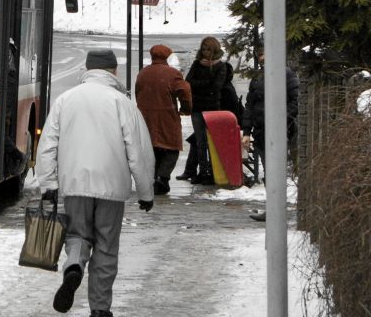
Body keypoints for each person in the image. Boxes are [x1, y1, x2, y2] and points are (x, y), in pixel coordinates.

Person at [37, 49, 155, 317]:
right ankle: (100, 309)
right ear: (113, 71)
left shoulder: (66, 99)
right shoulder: (122, 103)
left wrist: (49, 185)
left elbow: (47, 146)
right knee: (106, 245)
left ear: (87, 69)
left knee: (77, 234)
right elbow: (138, 151)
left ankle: (75, 266)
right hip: (112, 188)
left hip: (74, 184)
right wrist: (145, 193)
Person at [134, 44, 192, 195]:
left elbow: (138, 93)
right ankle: (163, 176)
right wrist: (185, 109)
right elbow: (185, 91)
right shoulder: (173, 74)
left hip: (146, 117)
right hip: (167, 116)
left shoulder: (143, 73)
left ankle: (153, 178)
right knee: (171, 148)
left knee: (151, 148)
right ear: (167, 56)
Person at [240, 50, 301, 184]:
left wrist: (280, 119)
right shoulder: (258, 78)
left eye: (265, 54)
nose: (262, 58)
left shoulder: (287, 75)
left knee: (276, 170)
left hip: (280, 131)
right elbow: (250, 105)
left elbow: (296, 101)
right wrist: (246, 132)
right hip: (260, 130)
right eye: (260, 55)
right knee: (269, 168)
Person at [182, 36, 231, 185]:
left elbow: (216, 87)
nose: (205, 52)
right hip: (197, 107)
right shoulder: (197, 64)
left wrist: (201, 86)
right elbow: (188, 81)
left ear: (214, 49)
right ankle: (203, 171)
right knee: (200, 141)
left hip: (213, 108)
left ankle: (211, 170)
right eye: (203, 49)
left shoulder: (221, 66)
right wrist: (206, 83)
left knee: (212, 141)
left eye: (208, 49)